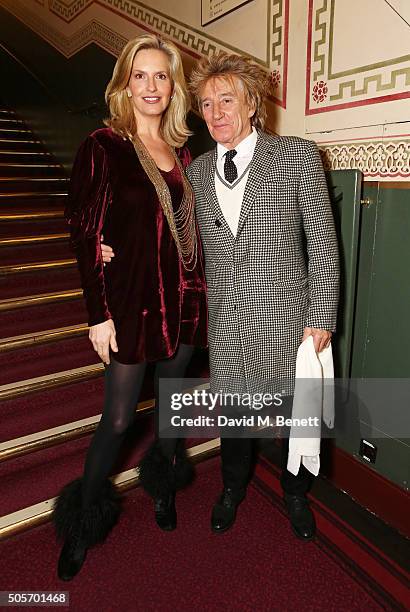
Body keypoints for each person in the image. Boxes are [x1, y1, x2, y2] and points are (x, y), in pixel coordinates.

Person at [102, 52, 339, 541]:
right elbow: (170, 240)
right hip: (227, 323)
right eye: (206, 104)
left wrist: (322, 315)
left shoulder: (297, 156)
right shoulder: (197, 172)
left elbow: (322, 242)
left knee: (297, 416)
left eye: (226, 100)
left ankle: (296, 494)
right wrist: (110, 249)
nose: (215, 114)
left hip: (290, 319)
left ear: (251, 103)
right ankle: (232, 489)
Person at [52, 34, 207, 582]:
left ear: (173, 87)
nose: (151, 86)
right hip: (132, 304)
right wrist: (98, 313)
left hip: (186, 300)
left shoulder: (186, 153)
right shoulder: (104, 145)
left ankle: (162, 486)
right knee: (118, 418)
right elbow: (83, 230)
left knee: (171, 411)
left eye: (161, 76)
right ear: (123, 83)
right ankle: (81, 522)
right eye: (139, 75)